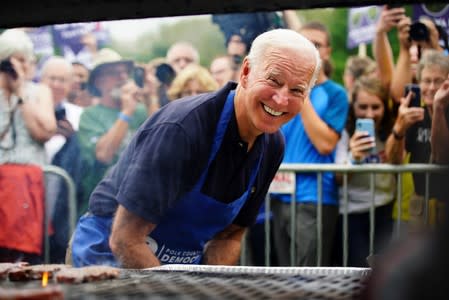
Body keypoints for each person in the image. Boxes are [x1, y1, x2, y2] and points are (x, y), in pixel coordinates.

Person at [68, 28, 321, 268]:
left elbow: (230, 236)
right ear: (245, 72)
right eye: (273, 80)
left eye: (297, 90)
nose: (281, 99)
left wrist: (208, 285)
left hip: (180, 267)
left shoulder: (272, 145)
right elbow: (125, 239)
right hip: (107, 256)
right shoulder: (184, 128)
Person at [271, 21, 349, 267]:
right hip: (278, 195)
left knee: (309, 278)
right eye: (303, 44)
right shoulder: (280, 93)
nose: (310, 50)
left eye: (316, 44)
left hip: (314, 199)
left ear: (327, 51)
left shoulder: (335, 93)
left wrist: (301, 91)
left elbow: (325, 144)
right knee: (282, 278)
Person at [0, 29, 56, 263]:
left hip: (28, 182)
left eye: (25, 60)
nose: (19, 66)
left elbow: (45, 131)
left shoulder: (39, 91)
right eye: (14, 60)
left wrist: (21, 92)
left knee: (23, 255)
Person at [77, 48, 148, 216]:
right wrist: (126, 112)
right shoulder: (89, 115)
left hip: (139, 203)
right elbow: (104, 154)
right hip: (103, 207)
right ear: (98, 82)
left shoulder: (141, 111)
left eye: (125, 73)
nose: (122, 78)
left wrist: (151, 97)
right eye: (114, 73)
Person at [334, 76, 395, 267]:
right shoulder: (345, 132)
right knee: (358, 270)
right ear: (353, 107)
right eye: (363, 107)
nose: (369, 114)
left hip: (384, 208)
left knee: (382, 269)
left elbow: (398, 160)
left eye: (376, 107)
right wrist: (354, 157)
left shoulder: (390, 132)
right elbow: (338, 178)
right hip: (352, 212)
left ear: (385, 107)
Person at [386, 50, 449, 231]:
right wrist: (399, 128)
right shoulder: (414, 114)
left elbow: (441, 157)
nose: (431, 87)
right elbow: (394, 161)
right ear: (418, 83)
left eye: (438, 81)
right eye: (426, 81)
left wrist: (438, 109)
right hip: (420, 204)